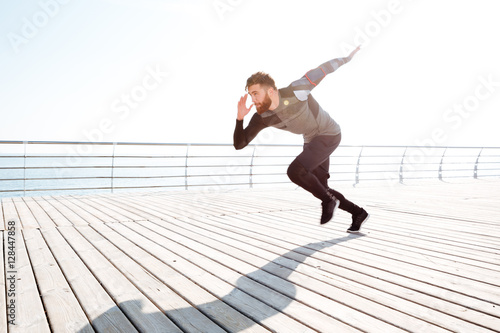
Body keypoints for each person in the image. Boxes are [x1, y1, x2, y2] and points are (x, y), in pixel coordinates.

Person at [233, 46, 369, 233]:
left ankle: (328, 201)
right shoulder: (261, 117)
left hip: (329, 133)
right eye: (250, 95)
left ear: (271, 91)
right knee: (321, 186)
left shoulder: (296, 91)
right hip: (312, 139)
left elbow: (323, 69)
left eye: (255, 93)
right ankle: (358, 213)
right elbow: (240, 144)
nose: (252, 99)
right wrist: (240, 119)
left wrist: (346, 58)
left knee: (295, 171)